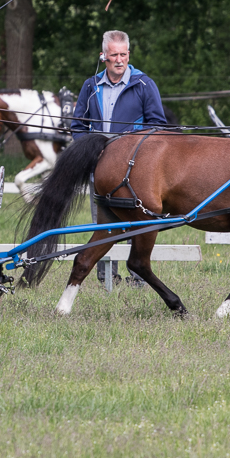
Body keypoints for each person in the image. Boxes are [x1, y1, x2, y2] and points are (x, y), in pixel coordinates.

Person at [70, 30, 167, 286]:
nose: (119, 60)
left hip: (136, 174)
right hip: (100, 171)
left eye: (124, 54)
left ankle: (138, 280)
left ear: (129, 55)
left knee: (139, 224)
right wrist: (92, 152)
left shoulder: (144, 84)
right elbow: (77, 127)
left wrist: (131, 149)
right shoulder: (90, 86)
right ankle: (107, 279)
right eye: (114, 55)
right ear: (103, 56)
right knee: (102, 225)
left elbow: (158, 127)